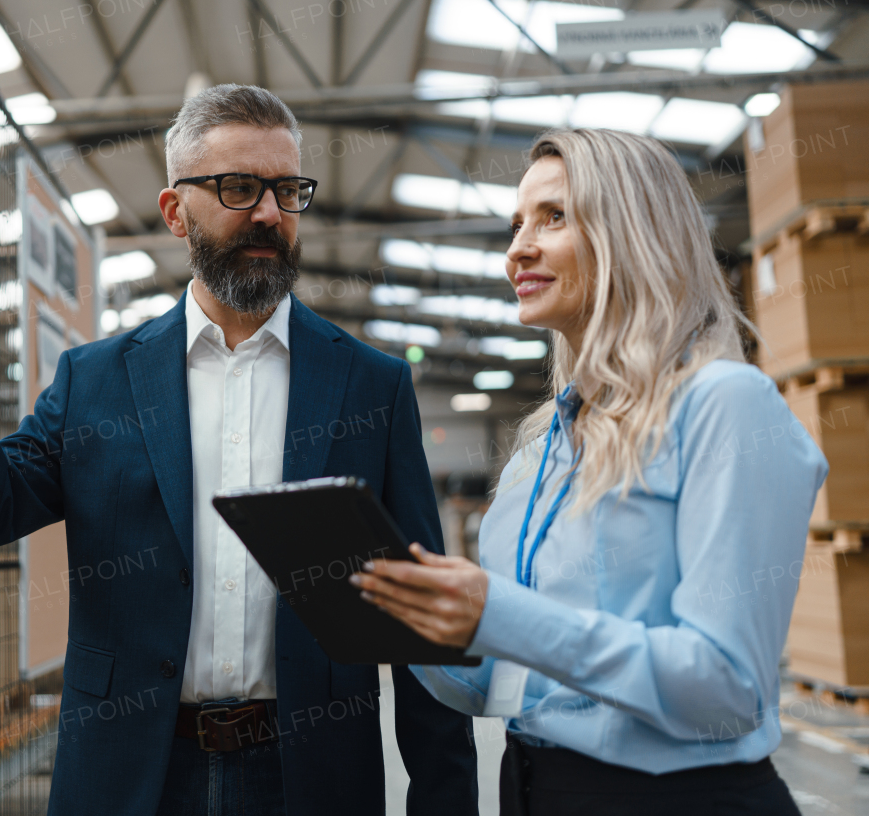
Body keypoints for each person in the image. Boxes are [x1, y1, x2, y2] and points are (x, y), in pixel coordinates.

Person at [0, 84, 478, 816]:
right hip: (132, 774)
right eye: (238, 187)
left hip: (310, 779)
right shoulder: (96, 380)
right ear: (174, 212)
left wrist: (444, 798)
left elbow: (423, 613)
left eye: (287, 191)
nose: (268, 212)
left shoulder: (369, 385)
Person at [349, 128, 827, 815]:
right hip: (535, 789)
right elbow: (514, 686)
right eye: (516, 225)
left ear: (635, 233)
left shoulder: (724, 406)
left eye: (555, 217)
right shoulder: (540, 450)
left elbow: (729, 689)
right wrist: (416, 633)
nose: (518, 249)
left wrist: (500, 611)